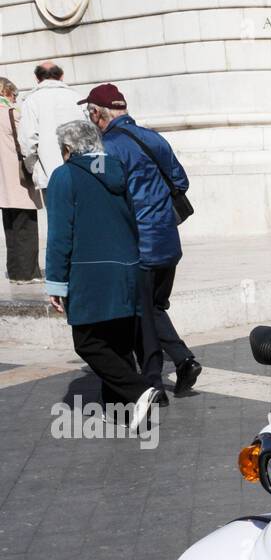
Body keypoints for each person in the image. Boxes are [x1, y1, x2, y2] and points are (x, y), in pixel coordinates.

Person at [81, 83, 202, 397]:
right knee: (153, 309)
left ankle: (153, 384)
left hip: (137, 246)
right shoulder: (154, 138)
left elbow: (100, 198)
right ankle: (183, 359)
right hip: (167, 242)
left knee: (143, 315)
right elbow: (181, 181)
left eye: (89, 112)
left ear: (97, 113)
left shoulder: (104, 148)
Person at [44, 120, 165, 430]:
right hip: (127, 267)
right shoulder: (115, 169)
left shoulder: (64, 175)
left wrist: (56, 282)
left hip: (90, 273)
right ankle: (120, 412)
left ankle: (139, 391)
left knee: (87, 343)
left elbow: (60, 234)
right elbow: (132, 221)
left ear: (67, 149)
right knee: (117, 342)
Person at [0, 77, 42, 282]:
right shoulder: (13, 113)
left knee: (10, 228)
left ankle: (16, 271)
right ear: (6, 92)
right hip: (18, 178)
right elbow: (28, 140)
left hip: (2, 184)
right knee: (26, 225)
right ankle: (28, 273)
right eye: (14, 94)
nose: (15, 98)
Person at [16, 62, 82, 192]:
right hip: (81, 170)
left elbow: (27, 141)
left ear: (37, 78)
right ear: (62, 76)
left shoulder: (31, 101)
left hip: (49, 173)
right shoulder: (77, 97)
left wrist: (33, 168)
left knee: (56, 211)